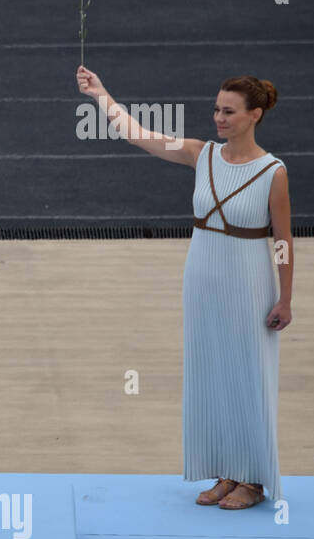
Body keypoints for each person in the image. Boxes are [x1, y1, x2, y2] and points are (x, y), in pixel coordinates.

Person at [76, 66, 292, 510]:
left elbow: (283, 241)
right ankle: (226, 471)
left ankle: (252, 478)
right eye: (216, 109)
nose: (219, 118)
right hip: (201, 279)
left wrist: (286, 298)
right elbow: (137, 134)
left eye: (229, 112)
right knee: (211, 375)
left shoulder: (274, 172)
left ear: (254, 115)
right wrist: (100, 94)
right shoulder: (200, 154)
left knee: (247, 377)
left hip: (249, 283)